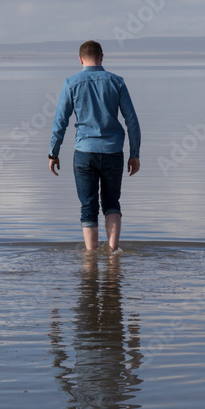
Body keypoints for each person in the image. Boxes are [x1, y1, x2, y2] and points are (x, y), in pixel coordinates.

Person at [49, 40, 141, 251]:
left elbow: (60, 122)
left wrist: (53, 153)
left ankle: (90, 259)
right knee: (111, 204)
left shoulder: (71, 83)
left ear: (80, 59)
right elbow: (132, 121)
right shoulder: (117, 82)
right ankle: (112, 253)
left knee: (88, 208)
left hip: (84, 153)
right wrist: (134, 154)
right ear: (102, 57)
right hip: (113, 152)